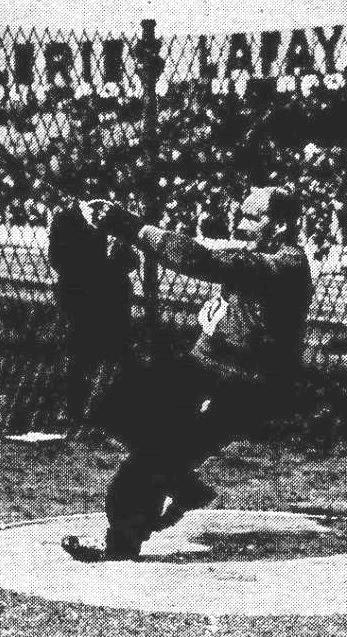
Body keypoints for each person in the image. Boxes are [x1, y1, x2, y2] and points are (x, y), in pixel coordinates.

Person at [61, 185, 313, 561]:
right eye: (241, 214)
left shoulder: (287, 266)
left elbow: (201, 261)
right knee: (108, 401)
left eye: (253, 218)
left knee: (150, 459)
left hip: (244, 386)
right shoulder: (258, 253)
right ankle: (183, 483)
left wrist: (133, 227)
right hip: (203, 367)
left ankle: (124, 541)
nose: (241, 225)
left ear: (281, 225)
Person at [48, 196, 138, 431]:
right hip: (82, 297)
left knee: (114, 354)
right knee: (79, 355)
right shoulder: (66, 219)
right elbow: (58, 259)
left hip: (111, 299)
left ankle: (99, 410)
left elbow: (131, 261)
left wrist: (117, 254)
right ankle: (73, 410)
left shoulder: (115, 219)